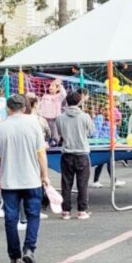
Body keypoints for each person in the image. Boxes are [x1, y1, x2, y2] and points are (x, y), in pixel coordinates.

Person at [0, 95, 50, 263]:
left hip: (9, 181)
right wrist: (44, 175)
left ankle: (14, 257)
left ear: (8, 109)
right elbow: (41, 154)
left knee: (11, 219)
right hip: (32, 179)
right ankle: (29, 248)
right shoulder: (34, 125)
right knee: (33, 215)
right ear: (24, 108)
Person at [55, 90, 95, 220]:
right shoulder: (85, 116)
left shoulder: (60, 117)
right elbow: (91, 132)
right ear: (79, 101)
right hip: (82, 152)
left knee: (66, 183)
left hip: (67, 153)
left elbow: (60, 133)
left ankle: (65, 211)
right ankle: (82, 210)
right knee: (82, 183)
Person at [37, 80, 66, 144]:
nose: (50, 87)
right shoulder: (45, 96)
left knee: (55, 136)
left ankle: (56, 147)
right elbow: (40, 106)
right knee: (44, 136)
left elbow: (63, 94)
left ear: (57, 89)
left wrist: (60, 85)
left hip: (54, 120)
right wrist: (40, 115)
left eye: (53, 86)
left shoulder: (58, 96)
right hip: (44, 119)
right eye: (50, 85)